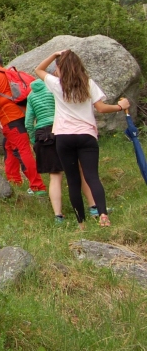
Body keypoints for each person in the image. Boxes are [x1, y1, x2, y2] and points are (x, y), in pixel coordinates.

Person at [34, 49, 129, 228]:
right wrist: (119, 106)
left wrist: (54, 55)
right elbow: (101, 108)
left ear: (60, 68)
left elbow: (38, 70)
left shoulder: (57, 84)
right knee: (92, 176)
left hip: (64, 137)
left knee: (73, 180)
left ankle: (81, 223)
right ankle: (103, 215)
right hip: (86, 136)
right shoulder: (88, 83)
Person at [25, 78, 98, 223]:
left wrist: (34, 139)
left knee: (55, 175)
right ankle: (93, 206)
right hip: (61, 129)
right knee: (80, 169)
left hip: (43, 135)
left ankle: (58, 215)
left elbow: (28, 122)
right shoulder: (53, 89)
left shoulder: (31, 96)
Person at [0, 53, 47, 195]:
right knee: (9, 146)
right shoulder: (10, 73)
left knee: (22, 150)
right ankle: (14, 181)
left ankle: (37, 186)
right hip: (23, 113)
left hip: (10, 117)